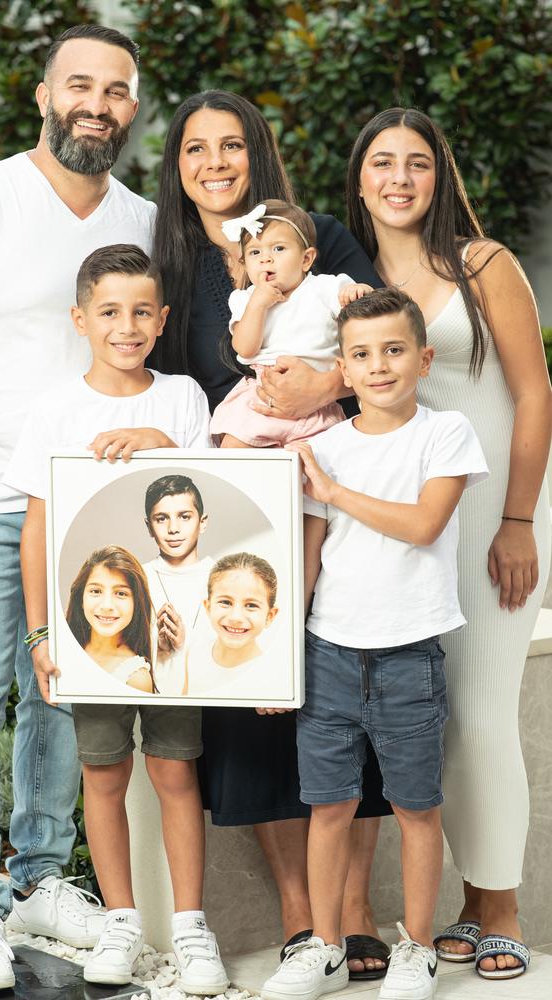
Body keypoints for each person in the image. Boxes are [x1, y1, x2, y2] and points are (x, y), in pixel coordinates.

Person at [0, 23, 156, 993]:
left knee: (61, 694)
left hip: (89, 502)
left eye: (116, 90)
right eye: (78, 85)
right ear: (43, 96)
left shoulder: (138, 214)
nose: (96, 103)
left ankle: (42, 875)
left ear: (131, 109)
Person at [150, 89, 390, 978]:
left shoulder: (318, 232)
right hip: (242, 513)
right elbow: (165, 385)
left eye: (232, 146)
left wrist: (326, 382)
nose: (215, 163)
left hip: (337, 493)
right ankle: (299, 912)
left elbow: (383, 333)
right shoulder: (175, 266)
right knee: (256, 709)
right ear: (176, 167)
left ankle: (356, 908)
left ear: (259, 154)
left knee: (342, 692)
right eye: (195, 150)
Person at [347, 107, 552, 982]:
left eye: (417, 163)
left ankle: (497, 902)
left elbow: (535, 393)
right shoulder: (341, 280)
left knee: (479, 716)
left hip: (486, 523)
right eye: (383, 162)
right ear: (359, 178)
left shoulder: (484, 265)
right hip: (394, 529)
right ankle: (466, 902)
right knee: (425, 727)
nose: (399, 178)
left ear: (439, 176)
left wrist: (515, 520)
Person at [5, 243, 227, 992]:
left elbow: (213, 496)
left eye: (141, 312)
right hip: (89, 634)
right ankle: (123, 921)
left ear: (163, 319)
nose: (126, 326)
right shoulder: (55, 411)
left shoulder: (183, 398)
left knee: (174, 768)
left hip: (173, 630)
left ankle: (192, 927)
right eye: (109, 312)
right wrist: (40, 632)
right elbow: (38, 533)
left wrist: (162, 444)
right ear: (80, 319)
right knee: (102, 772)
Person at [261, 287, 488, 1000]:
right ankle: (325, 948)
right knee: (327, 807)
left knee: (416, 806)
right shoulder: (320, 449)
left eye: (394, 350)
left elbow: (424, 525)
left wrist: (333, 489)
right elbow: (307, 556)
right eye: (362, 354)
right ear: (344, 370)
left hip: (408, 654)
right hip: (329, 653)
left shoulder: (445, 434)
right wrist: (278, 659)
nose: (379, 365)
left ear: (422, 359)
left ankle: (415, 949)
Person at [211, 199, 372, 447]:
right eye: (255, 252)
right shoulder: (245, 300)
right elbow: (244, 348)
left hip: (318, 405)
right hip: (262, 398)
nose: (266, 259)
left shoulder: (325, 288)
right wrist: (258, 305)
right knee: (234, 453)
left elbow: (366, 314)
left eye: (278, 249)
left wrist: (358, 291)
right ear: (244, 264)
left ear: (306, 259)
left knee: (320, 467)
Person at [142, 475, 212, 695]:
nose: (173, 528)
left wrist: (184, 643)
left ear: (202, 523)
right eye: (161, 518)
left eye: (184, 516)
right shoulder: (136, 577)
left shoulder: (222, 578)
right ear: (149, 526)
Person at [184, 552, 280, 697]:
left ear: (269, 616)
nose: (236, 617)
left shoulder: (271, 675)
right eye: (226, 602)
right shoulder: (194, 653)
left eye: (251, 605)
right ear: (208, 607)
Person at [66, 546, 155, 692]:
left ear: (136, 603)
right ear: (80, 598)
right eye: (96, 591)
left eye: (120, 593)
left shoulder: (136, 677)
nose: (107, 605)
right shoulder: (63, 648)